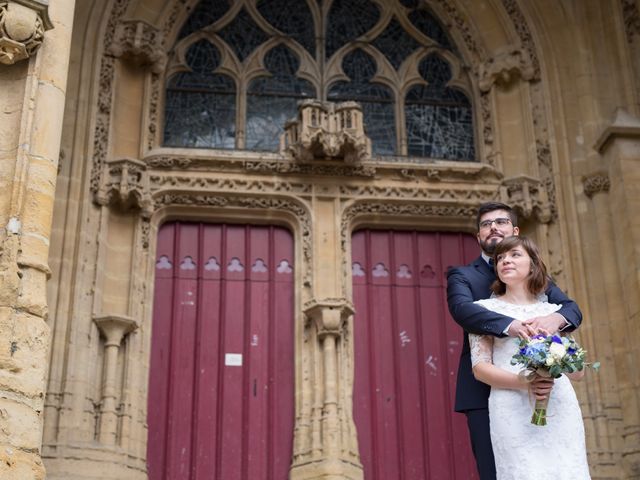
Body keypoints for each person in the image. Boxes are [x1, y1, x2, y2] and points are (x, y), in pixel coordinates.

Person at [446, 202, 582, 480]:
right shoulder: (463, 275)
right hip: (487, 393)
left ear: (515, 230)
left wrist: (552, 322)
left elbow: (571, 309)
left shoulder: (541, 283)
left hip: (550, 394)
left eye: (501, 222)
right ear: (478, 236)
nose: (493, 227)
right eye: (486, 224)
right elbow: (462, 310)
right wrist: (512, 325)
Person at [470, 235, 590, 479]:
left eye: (515, 255)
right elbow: (480, 368)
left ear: (533, 264)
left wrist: (556, 359)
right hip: (511, 405)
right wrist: (526, 381)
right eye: (500, 258)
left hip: (559, 405)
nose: (505, 261)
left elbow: (579, 373)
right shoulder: (482, 310)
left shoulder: (555, 313)